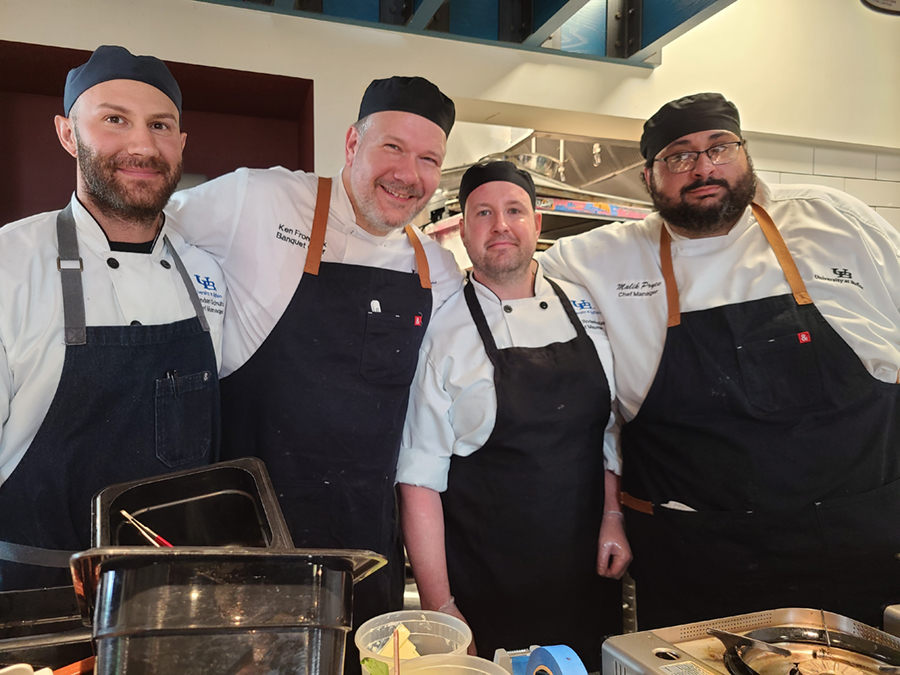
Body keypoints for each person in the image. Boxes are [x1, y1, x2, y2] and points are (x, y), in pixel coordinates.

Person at [540, 92, 900, 630]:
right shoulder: (599, 258)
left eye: (719, 147)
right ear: (649, 178)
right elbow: (505, 280)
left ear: (745, 152)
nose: (703, 168)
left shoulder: (834, 222)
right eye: (679, 156)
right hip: (701, 568)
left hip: (858, 552)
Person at [164, 76, 463, 662]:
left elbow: (432, 419)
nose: (409, 173)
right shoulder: (259, 199)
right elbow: (141, 237)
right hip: (250, 547)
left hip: (365, 553)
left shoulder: (438, 270)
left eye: (429, 158)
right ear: (352, 143)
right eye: (392, 148)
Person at [0, 45, 225, 591]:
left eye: (160, 125)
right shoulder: (11, 264)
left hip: (180, 600)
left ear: (181, 143)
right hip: (41, 605)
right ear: (67, 133)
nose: (142, 145)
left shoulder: (207, 274)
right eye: (114, 120)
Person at [397, 161, 630, 669]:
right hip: (487, 590)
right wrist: (442, 607)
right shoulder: (443, 330)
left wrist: (613, 515)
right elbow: (419, 481)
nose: (500, 225)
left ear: (537, 224)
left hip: (587, 577)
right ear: (463, 230)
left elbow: (607, 431)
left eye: (514, 210)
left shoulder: (585, 307)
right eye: (483, 212)